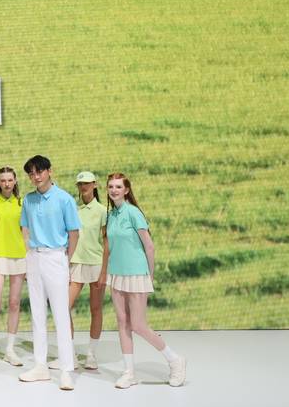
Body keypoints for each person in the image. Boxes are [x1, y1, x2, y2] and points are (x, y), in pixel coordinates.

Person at [105, 173, 186, 389]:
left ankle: (175, 360)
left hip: (137, 275)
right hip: (117, 275)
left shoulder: (133, 213)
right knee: (122, 323)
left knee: (139, 325)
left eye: (118, 187)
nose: (114, 190)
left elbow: (149, 246)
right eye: (111, 186)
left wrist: (149, 276)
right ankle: (129, 373)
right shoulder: (110, 215)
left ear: (126, 190)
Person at [18, 155, 80, 391]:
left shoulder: (64, 199)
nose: (35, 177)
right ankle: (40, 366)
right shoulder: (28, 200)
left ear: (49, 171)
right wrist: (28, 253)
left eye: (39, 172)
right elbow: (25, 228)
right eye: (31, 174)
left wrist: (68, 259)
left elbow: (74, 233)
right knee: (37, 314)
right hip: (34, 256)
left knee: (61, 315)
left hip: (56, 257)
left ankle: (66, 370)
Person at [0, 167, 26, 367]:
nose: (7, 183)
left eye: (10, 180)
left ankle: (10, 349)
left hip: (19, 258)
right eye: (3, 180)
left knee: (15, 303)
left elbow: (25, 232)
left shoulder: (22, 203)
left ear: (15, 181)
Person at [69, 171, 108, 371]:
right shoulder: (74, 209)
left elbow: (106, 241)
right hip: (76, 263)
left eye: (87, 183)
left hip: (95, 263)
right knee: (63, 306)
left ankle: (91, 354)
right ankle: (70, 354)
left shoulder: (102, 211)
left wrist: (104, 271)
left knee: (96, 309)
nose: (83, 187)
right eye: (80, 184)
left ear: (94, 185)